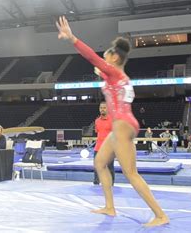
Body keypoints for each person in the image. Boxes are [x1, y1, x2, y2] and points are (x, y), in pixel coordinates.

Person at [56, 16, 168, 227]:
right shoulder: (116, 75)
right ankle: (110, 206)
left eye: (107, 55)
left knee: (131, 174)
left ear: (115, 58)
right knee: (99, 163)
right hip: (121, 126)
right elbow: (104, 73)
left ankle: (160, 215)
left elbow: (93, 59)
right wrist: (103, 73)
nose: (103, 57)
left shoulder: (114, 72)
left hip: (123, 125)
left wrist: (72, 39)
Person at [93, 101, 114, 186]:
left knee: (110, 168)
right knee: (97, 167)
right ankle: (96, 183)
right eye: (101, 108)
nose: (102, 109)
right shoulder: (97, 121)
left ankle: (111, 184)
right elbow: (98, 132)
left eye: (104, 108)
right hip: (98, 148)